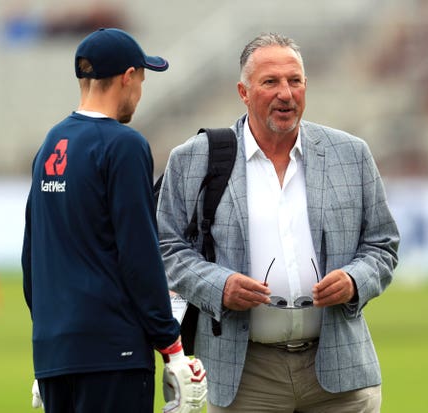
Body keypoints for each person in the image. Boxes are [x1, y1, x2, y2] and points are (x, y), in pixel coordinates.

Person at [156, 32, 400, 412]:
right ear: (243, 91)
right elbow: (167, 246)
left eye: (295, 80)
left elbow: (383, 244)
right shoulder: (195, 158)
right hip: (245, 375)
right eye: (270, 82)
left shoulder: (351, 154)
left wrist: (354, 281)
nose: (286, 93)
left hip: (340, 373)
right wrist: (218, 287)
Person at [21, 28, 205, 413]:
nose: (140, 91)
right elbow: (139, 255)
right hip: (112, 353)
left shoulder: (51, 143)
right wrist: (171, 346)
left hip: (56, 354)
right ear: (128, 76)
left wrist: (49, 346)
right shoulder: (124, 144)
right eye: (142, 79)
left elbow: (32, 258)